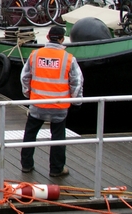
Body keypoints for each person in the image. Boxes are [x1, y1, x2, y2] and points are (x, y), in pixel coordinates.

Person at [20, 26, 84, 177]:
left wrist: (28, 93)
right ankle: (56, 169)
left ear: (48, 37)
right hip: (59, 105)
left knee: (30, 133)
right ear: (62, 39)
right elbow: (77, 81)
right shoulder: (68, 58)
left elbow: (25, 77)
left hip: (37, 103)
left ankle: (26, 165)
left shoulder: (35, 55)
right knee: (58, 136)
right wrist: (77, 101)